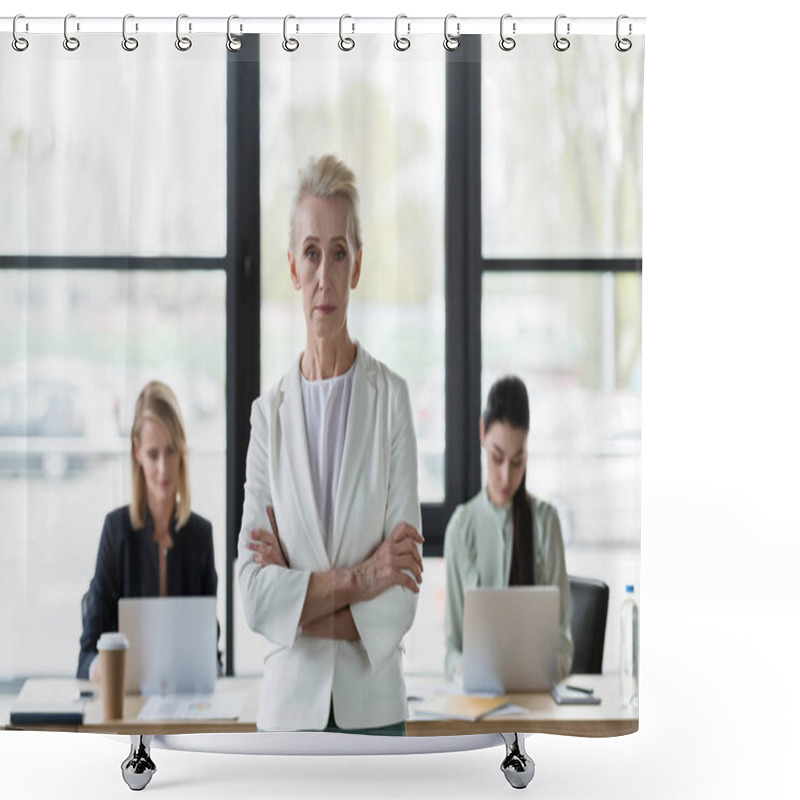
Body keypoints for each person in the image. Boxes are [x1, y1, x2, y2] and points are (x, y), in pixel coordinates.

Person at [238, 154, 423, 734]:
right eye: (312, 253)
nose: (325, 277)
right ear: (293, 267)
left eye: (338, 253)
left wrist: (299, 603)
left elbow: (403, 594)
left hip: (374, 711)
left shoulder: (391, 400)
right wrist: (362, 578)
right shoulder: (268, 417)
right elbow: (255, 596)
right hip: (290, 717)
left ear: (357, 266)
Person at [77, 380, 218, 680]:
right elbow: (86, 655)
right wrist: (108, 669)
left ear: (182, 452)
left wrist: (212, 672)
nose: (164, 469)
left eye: (171, 451)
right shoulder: (116, 532)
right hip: (126, 710)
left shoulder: (200, 536)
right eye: (153, 454)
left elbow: (210, 651)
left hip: (185, 712)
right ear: (137, 453)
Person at [444, 376, 573, 681]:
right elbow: (451, 649)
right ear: (482, 434)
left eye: (517, 462)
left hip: (536, 704)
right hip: (479, 706)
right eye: (496, 457)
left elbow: (564, 642)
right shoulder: (461, 529)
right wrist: (463, 668)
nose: (505, 476)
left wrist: (540, 669)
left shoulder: (545, 522)